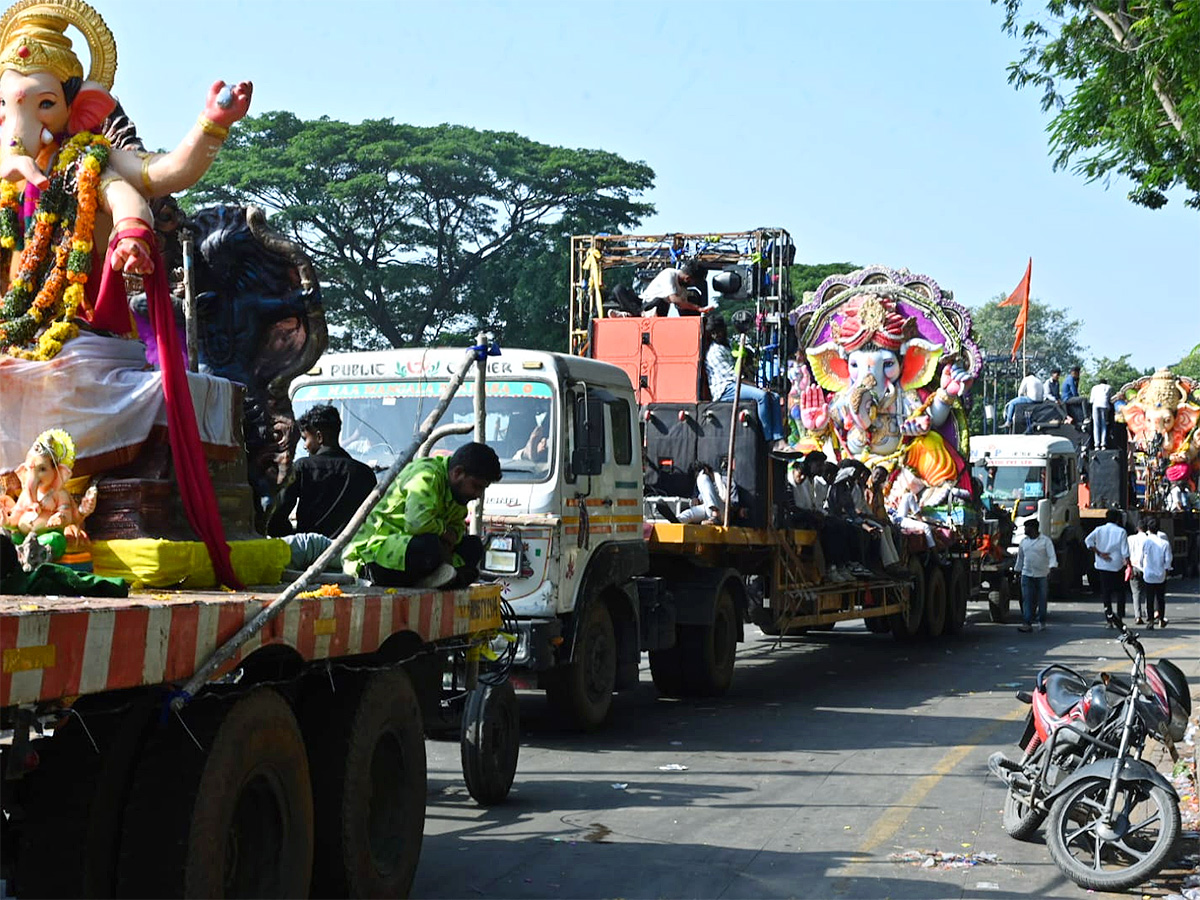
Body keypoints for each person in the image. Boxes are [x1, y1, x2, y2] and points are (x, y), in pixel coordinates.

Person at [343, 442, 501, 589]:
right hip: (375, 554)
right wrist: (445, 533)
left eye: (482, 489)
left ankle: (440, 577)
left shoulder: (459, 495)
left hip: (426, 556)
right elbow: (417, 524)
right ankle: (441, 577)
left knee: (473, 545)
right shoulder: (427, 474)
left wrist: (447, 537)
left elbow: (457, 532)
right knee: (428, 546)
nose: (478, 494)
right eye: (476, 486)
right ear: (457, 473)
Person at [267, 404, 377, 539]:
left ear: (319, 437)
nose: (304, 446)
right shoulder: (364, 473)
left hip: (310, 555)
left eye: (305, 438)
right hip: (352, 553)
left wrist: (293, 536)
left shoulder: (302, 468)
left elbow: (277, 517)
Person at [704, 314, 786, 441]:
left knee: (774, 397)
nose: (716, 335)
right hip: (724, 389)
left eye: (718, 331)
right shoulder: (715, 352)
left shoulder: (731, 344)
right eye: (713, 333)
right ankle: (769, 440)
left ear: (724, 329)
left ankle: (779, 440)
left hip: (735, 384)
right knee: (762, 396)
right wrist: (758, 387)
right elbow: (735, 378)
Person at [1085, 508, 1130, 622]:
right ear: (1117, 519)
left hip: (1102, 565)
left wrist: (1099, 553)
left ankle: (1109, 617)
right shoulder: (1121, 532)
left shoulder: (1099, 530)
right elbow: (1125, 551)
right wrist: (1128, 564)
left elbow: (1088, 541)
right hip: (1117, 566)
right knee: (1120, 592)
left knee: (1106, 593)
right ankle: (1120, 615)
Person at [1014, 519, 1057, 632]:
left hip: (1042, 575)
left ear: (1033, 529)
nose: (1024, 530)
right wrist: (1017, 571)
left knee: (1042, 599)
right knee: (1027, 599)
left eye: (1026, 528)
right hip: (1027, 574)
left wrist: (1051, 570)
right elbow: (1020, 558)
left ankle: (1041, 621)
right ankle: (1027, 623)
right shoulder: (1024, 542)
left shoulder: (1045, 541)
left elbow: (1052, 556)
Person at [639, 260, 713, 317]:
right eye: (694, 282)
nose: (693, 285)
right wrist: (698, 308)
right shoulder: (669, 274)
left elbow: (682, 305)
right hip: (649, 305)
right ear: (687, 278)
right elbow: (674, 299)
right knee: (661, 302)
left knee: (692, 297)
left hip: (663, 307)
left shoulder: (683, 288)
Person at [1138, 517, 1172, 628]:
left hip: (1148, 574)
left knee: (1149, 598)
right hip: (1161, 574)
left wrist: (1143, 569)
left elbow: (1141, 558)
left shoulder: (1146, 542)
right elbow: (1168, 560)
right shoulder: (1164, 543)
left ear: (1148, 528)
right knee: (1160, 598)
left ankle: (1151, 621)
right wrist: (1166, 570)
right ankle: (1161, 619)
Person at [1127, 521, 1148, 625]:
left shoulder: (1130, 539)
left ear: (1137, 528)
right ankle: (1149, 614)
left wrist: (1127, 565)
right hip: (1147, 568)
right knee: (1149, 592)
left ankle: (1138, 616)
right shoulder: (1149, 539)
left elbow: (1126, 553)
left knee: (1136, 593)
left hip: (1134, 567)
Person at [1090, 378, 1112, 449]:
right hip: (1105, 406)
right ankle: (1103, 444)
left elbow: (1091, 400)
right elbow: (1110, 399)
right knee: (1103, 425)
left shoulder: (1094, 388)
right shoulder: (1109, 387)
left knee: (1096, 425)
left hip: (1096, 405)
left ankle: (1096, 444)